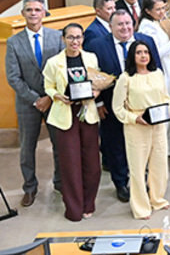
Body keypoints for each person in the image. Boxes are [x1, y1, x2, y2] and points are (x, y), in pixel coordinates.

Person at [86, 10, 161, 203]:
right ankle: (121, 183)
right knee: (115, 145)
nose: (125, 28)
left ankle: (142, 180)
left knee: (142, 146)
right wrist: (99, 102)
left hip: (143, 106)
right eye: (119, 24)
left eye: (128, 23)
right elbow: (92, 76)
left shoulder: (146, 41)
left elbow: (157, 69)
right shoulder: (97, 45)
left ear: (134, 24)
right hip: (111, 106)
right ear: (110, 27)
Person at [5, 0, 64, 207]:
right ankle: (29, 188)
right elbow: (13, 77)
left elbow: (61, 70)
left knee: (59, 144)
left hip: (54, 101)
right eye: (28, 10)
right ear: (23, 14)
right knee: (27, 148)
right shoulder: (13, 42)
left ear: (44, 13)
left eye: (37, 10)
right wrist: (36, 99)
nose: (33, 13)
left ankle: (59, 182)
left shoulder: (57, 37)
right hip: (27, 103)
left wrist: (49, 97)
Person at [42, 23, 99, 221]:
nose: (75, 41)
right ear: (63, 39)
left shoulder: (91, 57)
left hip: (87, 112)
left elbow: (97, 80)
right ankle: (73, 207)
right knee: (70, 163)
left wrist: (97, 91)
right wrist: (57, 95)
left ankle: (88, 202)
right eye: (71, 37)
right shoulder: (53, 62)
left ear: (83, 38)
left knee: (92, 162)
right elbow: (48, 85)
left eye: (78, 37)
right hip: (65, 114)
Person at [111, 41, 170, 219]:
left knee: (160, 164)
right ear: (132, 56)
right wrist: (134, 118)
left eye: (146, 52)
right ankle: (141, 207)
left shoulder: (158, 73)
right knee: (137, 168)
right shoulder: (126, 78)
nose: (143, 55)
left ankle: (157, 199)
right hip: (136, 128)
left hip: (158, 125)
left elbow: (166, 96)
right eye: (139, 53)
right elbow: (118, 108)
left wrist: (165, 112)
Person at [137, 0, 170, 157]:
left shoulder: (157, 23)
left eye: (163, 8)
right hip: (162, 69)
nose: (161, 11)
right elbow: (154, 53)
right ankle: (162, 147)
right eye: (157, 9)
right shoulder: (146, 27)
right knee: (165, 107)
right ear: (148, 11)